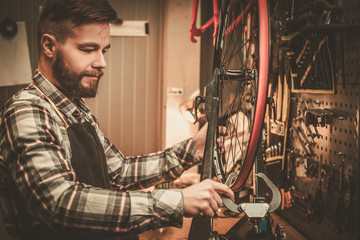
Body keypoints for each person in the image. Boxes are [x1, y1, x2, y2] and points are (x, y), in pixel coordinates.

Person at [0, 0, 234, 239]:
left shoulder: (75, 109)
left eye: (104, 50)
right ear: (49, 46)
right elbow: (63, 203)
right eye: (88, 49)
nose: (102, 62)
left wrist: (191, 150)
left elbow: (119, 172)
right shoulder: (27, 111)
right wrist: (178, 201)